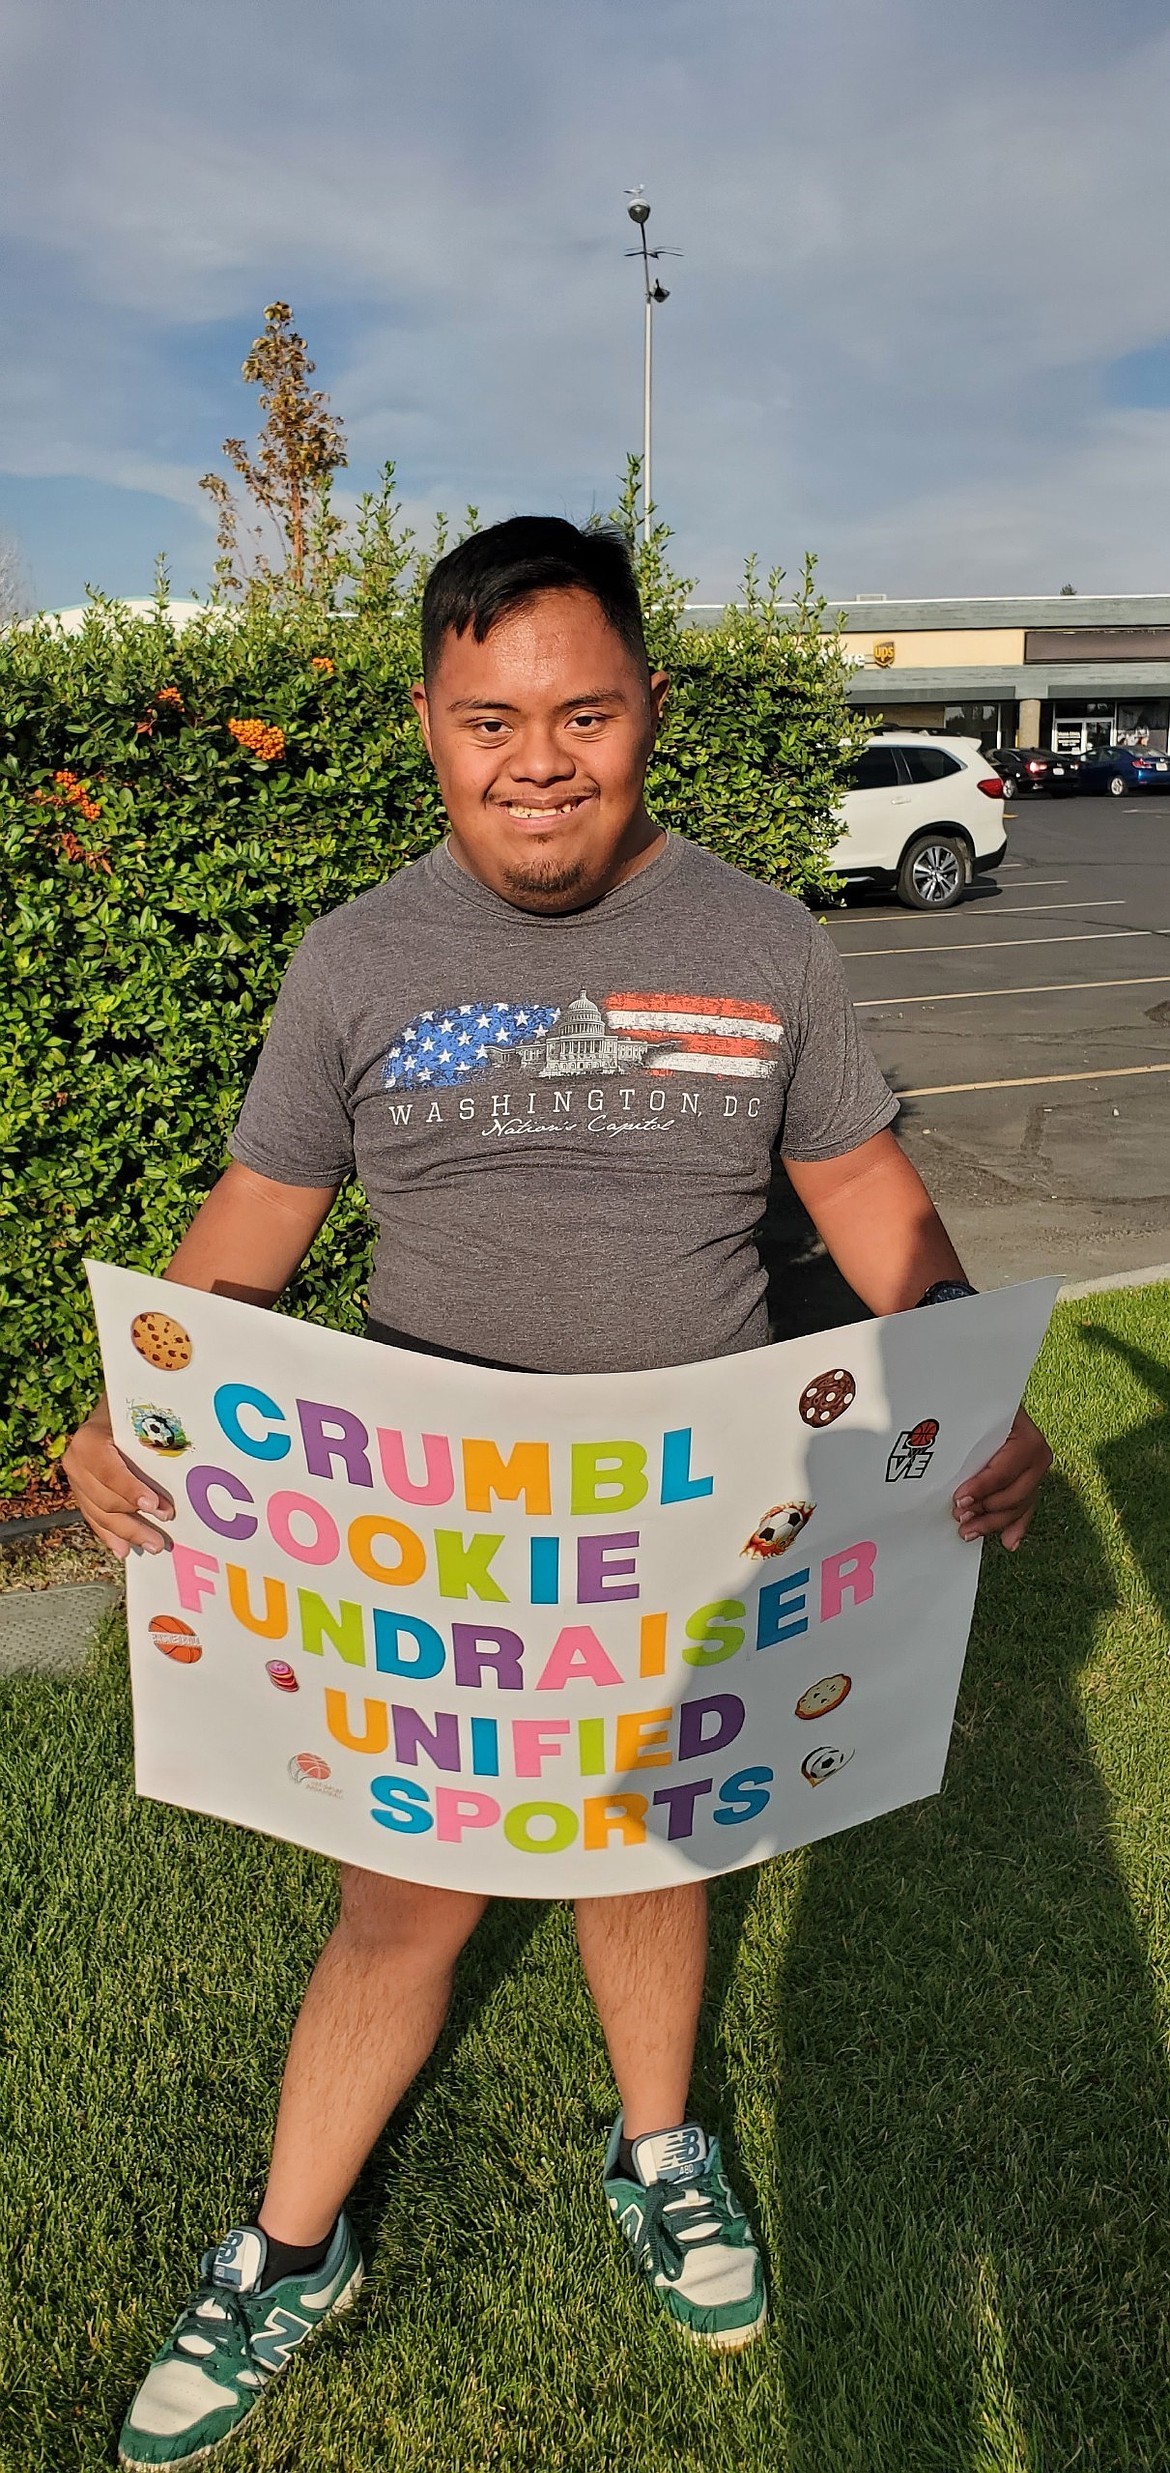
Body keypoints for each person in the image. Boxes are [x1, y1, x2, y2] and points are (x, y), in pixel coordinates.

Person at [64, 517, 1052, 2468]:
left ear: (646, 714)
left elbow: (861, 1191)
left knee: (651, 1853)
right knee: (400, 1907)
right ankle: (287, 2245)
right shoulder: (354, 960)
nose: (541, 759)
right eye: (490, 717)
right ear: (427, 726)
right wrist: (143, 1403)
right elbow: (258, 1222)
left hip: (684, 1553)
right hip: (442, 1557)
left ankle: (660, 2142)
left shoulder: (761, 939)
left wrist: (956, 1371)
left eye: (583, 711)